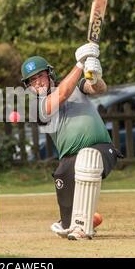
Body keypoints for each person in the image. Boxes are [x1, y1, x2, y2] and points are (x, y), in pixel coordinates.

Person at [20, 43, 123, 240]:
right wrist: (79, 63)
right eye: (32, 81)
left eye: (40, 76)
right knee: (67, 221)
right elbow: (62, 94)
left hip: (102, 149)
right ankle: (83, 218)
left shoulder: (76, 86)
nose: (38, 83)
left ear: (49, 74)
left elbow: (98, 89)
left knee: (87, 158)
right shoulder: (38, 107)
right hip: (69, 162)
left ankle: (83, 227)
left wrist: (95, 76)